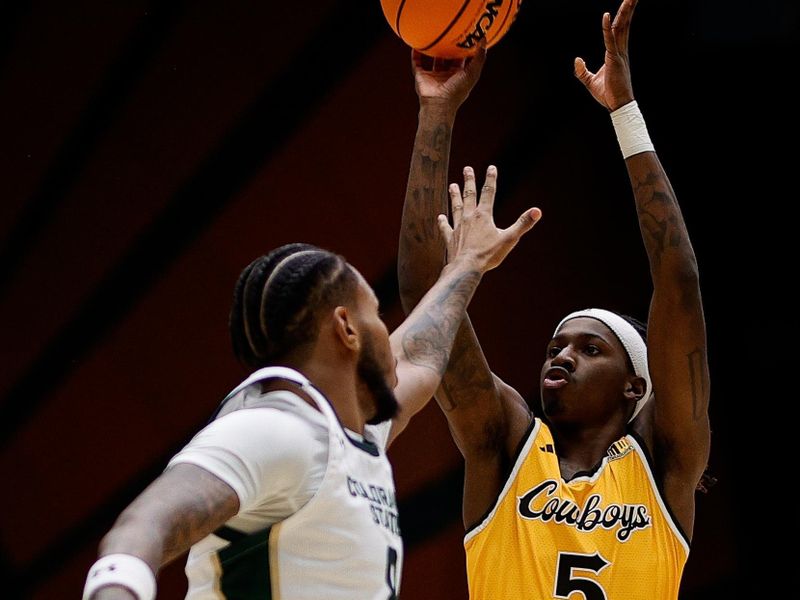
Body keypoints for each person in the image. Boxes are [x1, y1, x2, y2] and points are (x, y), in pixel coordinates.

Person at [82, 181, 541, 599]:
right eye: (376, 314)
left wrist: (468, 263)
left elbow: (419, 356)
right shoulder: (276, 429)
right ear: (346, 328)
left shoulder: (349, 440)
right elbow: (142, 527)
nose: (389, 332)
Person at [398, 0, 710, 598]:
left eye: (590, 348)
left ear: (634, 387)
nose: (560, 356)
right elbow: (422, 299)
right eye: (556, 345)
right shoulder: (506, 443)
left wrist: (625, 112)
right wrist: (436, 112)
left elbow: (680, 282)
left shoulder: (662, 464)